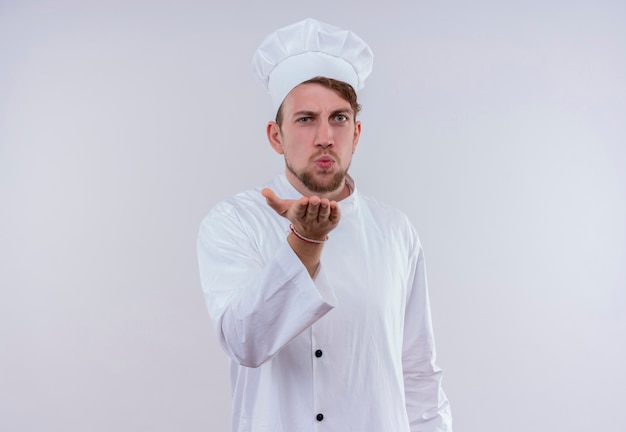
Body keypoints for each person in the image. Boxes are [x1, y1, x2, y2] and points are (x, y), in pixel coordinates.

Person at [197, 18, 452, 432]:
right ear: (275, 136)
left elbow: (418, 372)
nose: (324, 137)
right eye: (305, 119)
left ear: (357, 132)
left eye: (338, 118)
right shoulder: (233, 222)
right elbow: (246, 342)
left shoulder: (395, 231)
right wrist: (304, 244)